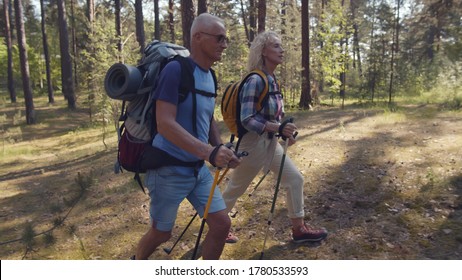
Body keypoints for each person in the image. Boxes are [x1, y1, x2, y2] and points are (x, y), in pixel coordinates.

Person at [134, 13, 240, 260]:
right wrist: (209, 152)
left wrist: (220, 147)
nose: (224, 44)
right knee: (161, 234)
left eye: (226, 39)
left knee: (222, 225)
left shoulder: (210, 76)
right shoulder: (175, 70)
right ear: (198, 37)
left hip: (197, 170)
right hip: (168, 169)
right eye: (219, 38)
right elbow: (165, 123)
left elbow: (207, 116)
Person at [222, 31, 328, 244]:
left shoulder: (272, 79)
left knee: (295, 178)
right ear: (263, 51)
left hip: (270, 143)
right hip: (252, 145)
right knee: (235, 189)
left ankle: (299, 230)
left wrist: (285, 132)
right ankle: (218, 227)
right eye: (277, 46)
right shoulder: (255, 79)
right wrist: (278, 128)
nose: (282, 50)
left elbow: (273, 116)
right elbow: (247, 119)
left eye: (281, 46)